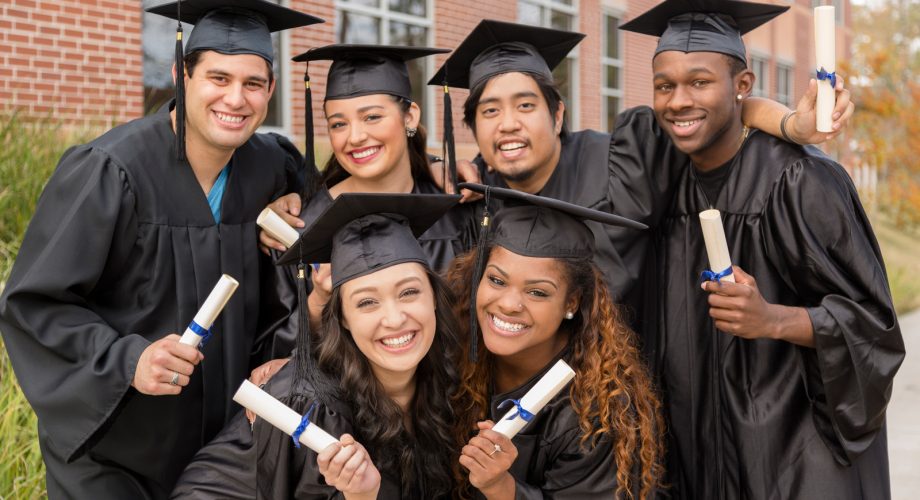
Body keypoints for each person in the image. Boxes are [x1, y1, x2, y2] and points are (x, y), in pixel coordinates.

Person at [0, 1, 322, 497]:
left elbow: (294, 286)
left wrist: (297, 211)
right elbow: (35, 305)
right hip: (117, 453)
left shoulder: (272, 168)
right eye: (218, 77)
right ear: (181, 75)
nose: (235, 99)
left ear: (270, 90)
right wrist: (128, 358)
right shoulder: (110, 171)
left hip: (225, 451)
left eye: (252, 83)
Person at [617, 1, 905, 498]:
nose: (678, 101)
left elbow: (873, 327)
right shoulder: (665, 176)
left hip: (794, 456)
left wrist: (772, 319)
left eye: (700, 81)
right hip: (697, 454)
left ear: (742, 85)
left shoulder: (800, 179)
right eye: (665, 85)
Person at [430, 19, 854, 324]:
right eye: (490, 111)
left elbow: (717, 111)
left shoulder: (624, 158)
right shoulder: (470, 199)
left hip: (630, 394)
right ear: (472, 127)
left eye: (526, 105)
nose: (508, 124)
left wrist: (791, 126)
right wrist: (433, 166)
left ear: (557, 115)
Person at [172, 193, 463, 499]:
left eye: (409, 292)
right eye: (366, 302)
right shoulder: (311, 409)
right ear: (343, 318)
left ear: (434, 296)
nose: (393, 318)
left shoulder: (448, 382)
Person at [257, 44, 478, 361]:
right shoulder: (301, 228)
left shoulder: (457, 210)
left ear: (409, 116)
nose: (355, 136)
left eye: (372, 116)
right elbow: (276, 353)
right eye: (338, 123)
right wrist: (320, 299)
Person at [445, 183, 663, 499]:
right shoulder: (453, 359)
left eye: (537, 292)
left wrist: (502, 489)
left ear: (572, 303)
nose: (508, 304)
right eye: (496, 280)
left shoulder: (597, 413)